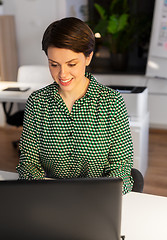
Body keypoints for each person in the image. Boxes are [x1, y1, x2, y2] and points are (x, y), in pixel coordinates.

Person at [16, 17, 134, 194]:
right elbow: (28, 163)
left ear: (88, 58)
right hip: (51, 198)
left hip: (97, 201)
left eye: (71, 64)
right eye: (54, 64)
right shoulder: (37, 102)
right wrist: (40, 191)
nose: (62, 74)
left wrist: (106, 196)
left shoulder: (111, 102)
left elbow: (121, 170)